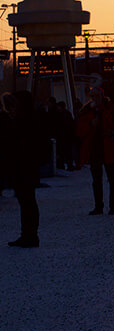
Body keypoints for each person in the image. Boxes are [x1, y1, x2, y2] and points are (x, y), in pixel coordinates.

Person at [77, 87, 114, 215]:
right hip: (95, 149)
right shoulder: (87, 111)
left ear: (101, 96)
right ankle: (99, 206)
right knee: (98, 179)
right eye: (93, 96)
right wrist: (91, 124)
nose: (94, 98)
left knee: (111, 177)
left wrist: (112, 132)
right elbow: (79, 130)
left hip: (107, 148)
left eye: (96, 96)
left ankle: (113, 205)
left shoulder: (110, 109)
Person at [7, 91, 46, 247]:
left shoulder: (27, 121)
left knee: (27, 201)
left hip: (25, 167)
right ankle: (27, 234)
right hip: (24, 167)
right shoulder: (26, 119)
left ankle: (30, 235)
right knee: (26, 201)